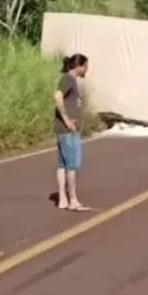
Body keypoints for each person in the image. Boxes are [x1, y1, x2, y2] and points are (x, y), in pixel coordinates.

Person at [53, 54, 91, 212]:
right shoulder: (68, 79)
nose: (87, 70)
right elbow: (57, 96)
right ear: (79, 66)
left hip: (63, 129)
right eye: (86, 66)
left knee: (62, 164)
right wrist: (67, 119)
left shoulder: (68, 79)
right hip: (68, 130)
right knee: (72, 166)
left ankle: (63, 199)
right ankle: (73, 199)